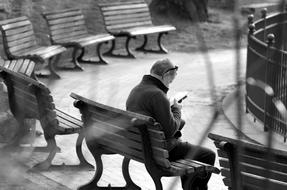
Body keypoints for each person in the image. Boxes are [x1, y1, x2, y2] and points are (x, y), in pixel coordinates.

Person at [126, 58, 215, 190]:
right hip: (160, 152)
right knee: (208, 155)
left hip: (140, 147)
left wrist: (171, 111)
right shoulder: (157, 95)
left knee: (187, 149)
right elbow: (171, 130)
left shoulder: (136, 89)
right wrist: (176, 109)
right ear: (166, 75)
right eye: (171, 79)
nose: (170, 83)